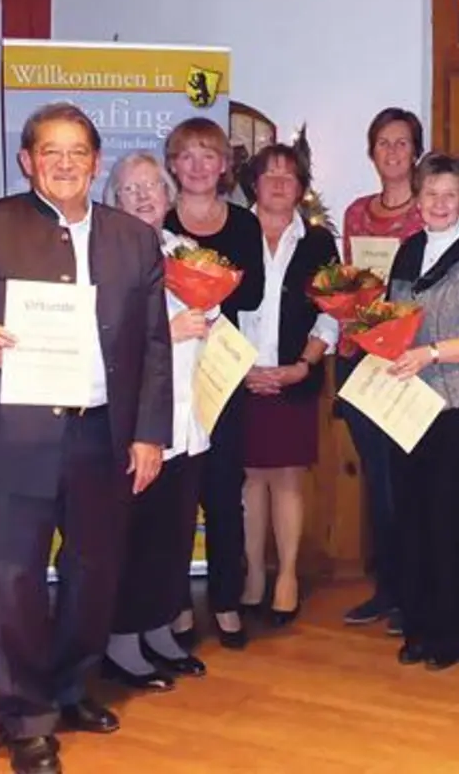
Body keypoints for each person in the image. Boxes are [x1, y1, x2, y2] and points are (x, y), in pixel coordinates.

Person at [0, 102, 172, 774]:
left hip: (103, 434)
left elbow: (153, 344)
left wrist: (149, 433)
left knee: (93, 575)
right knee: (13, 581)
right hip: (12, 433)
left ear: (96, 162)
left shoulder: (133, 238)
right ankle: (26, 716)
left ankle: (71, 687)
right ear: (27, 161)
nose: (65, 163)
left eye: (77, 152)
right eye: (50, 151)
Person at [382, 152, 459, 671]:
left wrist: (430, 353)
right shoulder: (408, 251)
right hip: (407, 402)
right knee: (409, 515)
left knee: (448, 519)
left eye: (449, 195)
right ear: (419, 198)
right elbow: (390, 315)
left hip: (456, 403)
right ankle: (419, 626)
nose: (438, 203)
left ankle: (450, 632)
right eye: (430, 193)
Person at [100, 152, 213, 693]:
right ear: (111, 201)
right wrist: (175, 329)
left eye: (152, 186)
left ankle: (161, 628)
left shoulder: (185, 252)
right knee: (134, 534)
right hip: (136, 425)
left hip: (188, 418)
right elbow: (107, 341)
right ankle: (121, 641)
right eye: (130, 189)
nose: (144, 196)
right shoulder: (104, 255)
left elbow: (210, 317)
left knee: (173, 531)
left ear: (169, 196)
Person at [162, 117, 266, 650]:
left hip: (223, 369)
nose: (198, 166)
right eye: (187, 156)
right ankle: (175, 605)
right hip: (171, 369)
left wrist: (205, 292)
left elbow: (250, 296)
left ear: (224, 165)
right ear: (173, 165)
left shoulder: (245, 225)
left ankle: (226, 601)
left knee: (225, 490)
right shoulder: (156, 220)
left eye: (209, 155)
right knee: (175, 493)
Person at [237, 144, 339, 628]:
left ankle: (287, 578)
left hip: (295, 374)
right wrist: (239, 369)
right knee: (250, 479)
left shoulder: (318, 242)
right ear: (253, 183)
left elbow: (332, 313)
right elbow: (211, 308)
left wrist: (303, 365)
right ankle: (254, 574)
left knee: (288, 478)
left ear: (302, 187)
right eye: (269, 174)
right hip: (238, 378)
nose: (279, 184)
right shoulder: (232, 232)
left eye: (289, 176)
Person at [337, 107, 426, 633]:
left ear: (415, 151)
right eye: (383, 143)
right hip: (361, 361)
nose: (392, 152)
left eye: (402, 143)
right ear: (372, 153)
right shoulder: (354, 213)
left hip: (408, 366)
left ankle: (412, 591)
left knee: (408, 481)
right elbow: (349, 283)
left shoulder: (429, 210)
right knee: (378, 480)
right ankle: (386, 587)